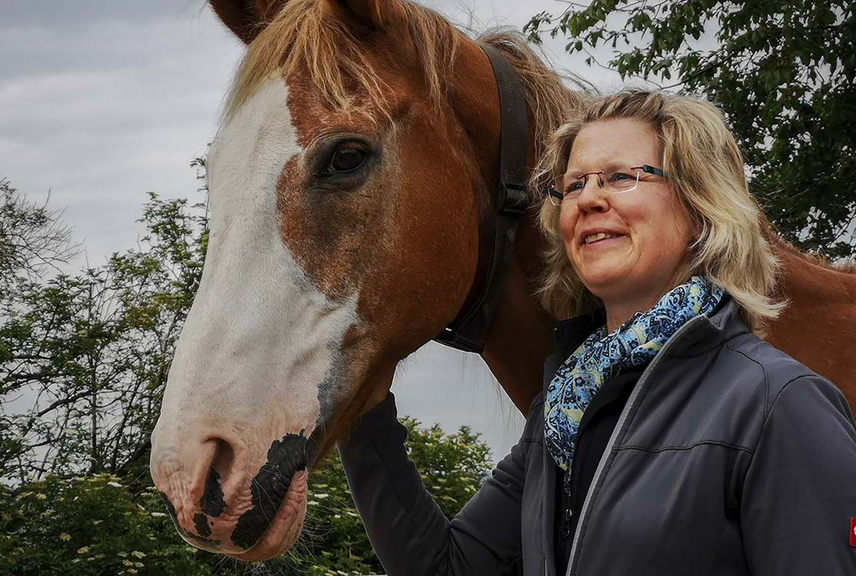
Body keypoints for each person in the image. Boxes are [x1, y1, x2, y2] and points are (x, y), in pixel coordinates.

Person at [337, 90, 856, 575]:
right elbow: (445, 565)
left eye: (620, 177)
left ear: (700, 206)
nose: (587, 199)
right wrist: (360, 403)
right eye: (574, 184)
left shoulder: (780, 403)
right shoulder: (563, 409)